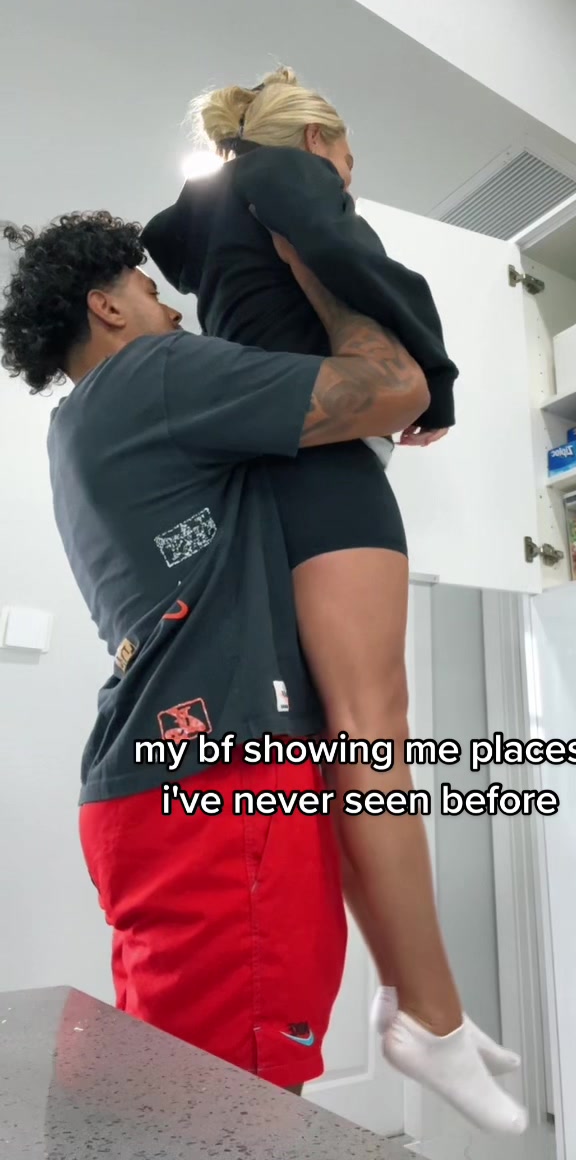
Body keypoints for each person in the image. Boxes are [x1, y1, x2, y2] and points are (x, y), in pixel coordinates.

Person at [141, 68, 527, 1136]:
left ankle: (417, 998)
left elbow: (184, 238)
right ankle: (431, 1018)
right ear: (319, 140)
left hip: (265, 470)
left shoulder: (213, 210)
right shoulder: (284, 170)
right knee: (373, 729)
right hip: (322, 468)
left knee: (343, 738)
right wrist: (438, 375)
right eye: (348, 165)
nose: (348, 184)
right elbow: (349, 252)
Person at [0, 210, 427, 1095]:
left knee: (177, 1100)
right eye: (150, 291)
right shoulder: (153, 373)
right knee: (235, 1109)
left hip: (154, 788)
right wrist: (325, 281)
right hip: (219, 789)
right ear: (106, 307)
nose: (174, 312)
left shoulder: (75, 431)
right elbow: (395, 389)